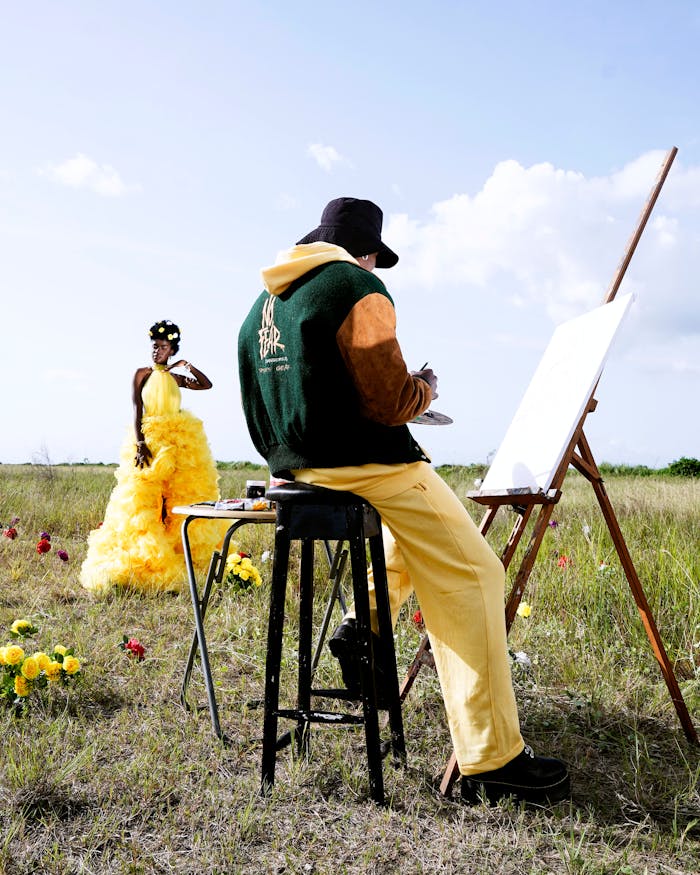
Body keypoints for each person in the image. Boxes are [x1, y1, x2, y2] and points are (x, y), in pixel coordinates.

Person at [237, 197, 570, 805]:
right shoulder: (356, 284)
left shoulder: (262, 304)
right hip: (367, 466)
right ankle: (492, 760)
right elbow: (390, 402)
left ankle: (360, 625)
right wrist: (424, 390)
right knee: (474, 575)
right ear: (366, 252)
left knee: (411, 546)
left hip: (297, 473)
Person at [81, 319, 224, 594]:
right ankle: (141, 559)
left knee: (179, 496)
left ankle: (180, 553)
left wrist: (188, 366)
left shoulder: (176, 377)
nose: (156, 351)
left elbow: (206, 386)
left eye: (162, 347)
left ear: (171, 350)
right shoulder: (142, 373)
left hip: (179, 440)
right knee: (144, 497)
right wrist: (140, 443)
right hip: (151, 438)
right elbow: (136, 409)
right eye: (154, 346)